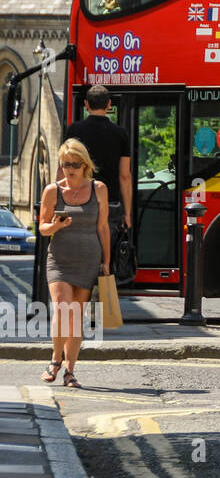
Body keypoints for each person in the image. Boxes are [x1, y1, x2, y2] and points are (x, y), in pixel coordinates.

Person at [37, 139, 110, 389]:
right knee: (62, 309)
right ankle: (55, 360)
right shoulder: (52, 191)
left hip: (88, 259)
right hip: (59, 259)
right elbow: (42, 228)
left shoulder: (99, 189)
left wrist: (106, 262)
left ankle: (70, 372)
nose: (69, 169)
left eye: (75, 164)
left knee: (76, 317)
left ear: (85, 165)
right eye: (65, 164)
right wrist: (55, 226)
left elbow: (102, 228)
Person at [65, 85, 132, 248]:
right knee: (105, 252)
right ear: (109, 105)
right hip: (110, 203)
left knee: (81, 250)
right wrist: (127, 213)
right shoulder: (120, 133)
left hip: (79, 201)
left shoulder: (74, 129)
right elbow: (124, 176)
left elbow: (64, 170)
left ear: (86, 104)